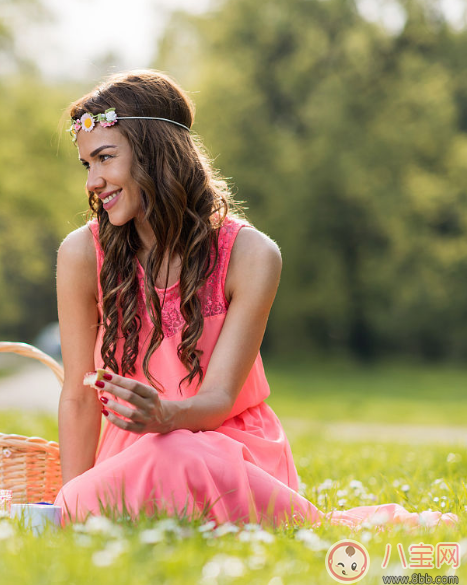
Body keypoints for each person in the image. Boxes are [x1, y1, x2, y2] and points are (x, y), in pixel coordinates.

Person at [54, 70, 455, 528]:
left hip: (230, 448)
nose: (93, 181)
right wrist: (70, 506)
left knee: (176, 449)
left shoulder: (250, 254)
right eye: (87, 165)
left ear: (153, 151)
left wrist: (166, 416)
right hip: (131, 456)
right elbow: (79, 399)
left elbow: (220, 398)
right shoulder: (83, 254)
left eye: (105, 158)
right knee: (151, 461)